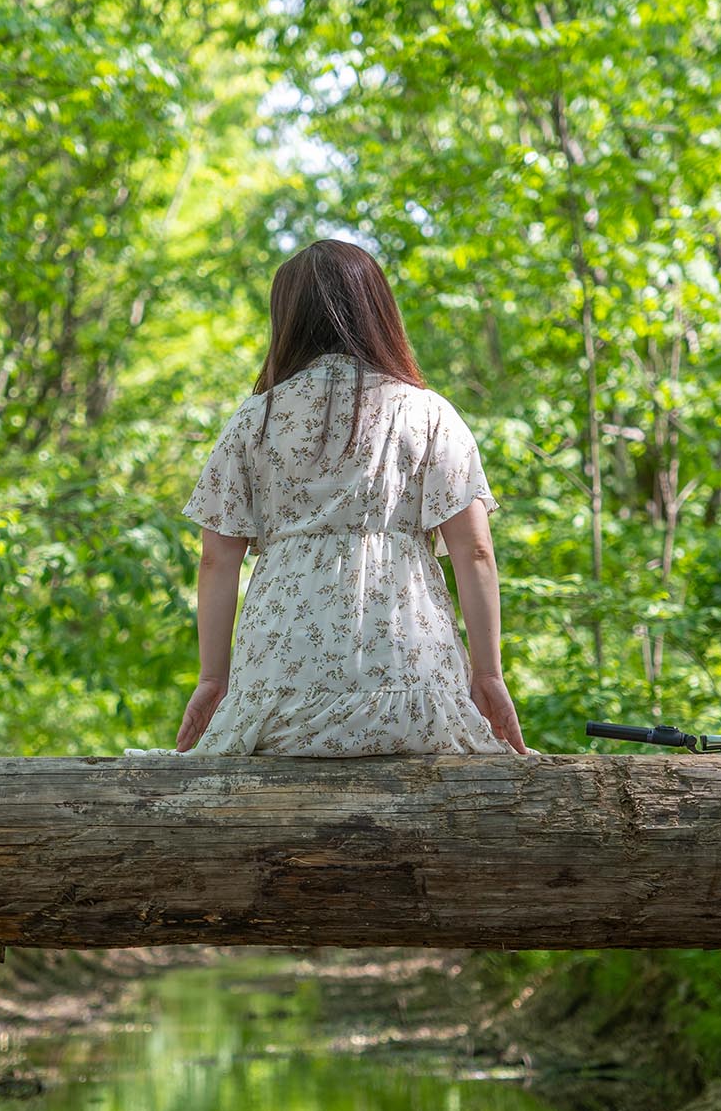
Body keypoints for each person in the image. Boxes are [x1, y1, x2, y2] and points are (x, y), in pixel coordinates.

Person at [124, 239, 529, 759]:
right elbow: (474, 552)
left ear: (287, 320)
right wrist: (488, 673)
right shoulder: (428, 414)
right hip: (412, 696)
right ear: (378, 311)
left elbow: (215, 559)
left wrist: (213, 679)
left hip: (277, 699)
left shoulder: (256, 419)